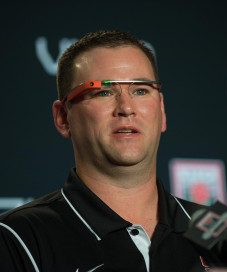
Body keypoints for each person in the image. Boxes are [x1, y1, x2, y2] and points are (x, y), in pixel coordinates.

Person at [0, 30, 207, 272]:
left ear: (161, 111)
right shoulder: (17, 237)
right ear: (63, 118)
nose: (126, 108)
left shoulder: (225, 230)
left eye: (140, 90)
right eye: (103, 92)